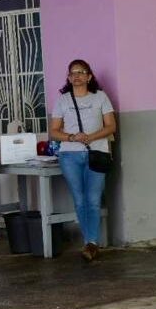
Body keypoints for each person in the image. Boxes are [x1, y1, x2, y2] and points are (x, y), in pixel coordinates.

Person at [49, 59, 117, 262]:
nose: (76, 76)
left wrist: (92, 137)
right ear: (69, 78)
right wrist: (71, 137)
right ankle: (88, 240)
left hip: (97, 152)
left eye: (81, 72)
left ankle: (92, 242)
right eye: (72, 73)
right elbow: (54, 131)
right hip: (70, 155)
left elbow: (111, 126)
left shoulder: (100, 97)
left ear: (89, 76)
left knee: (93, 199)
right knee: (79, 199)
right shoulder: (63, 100)